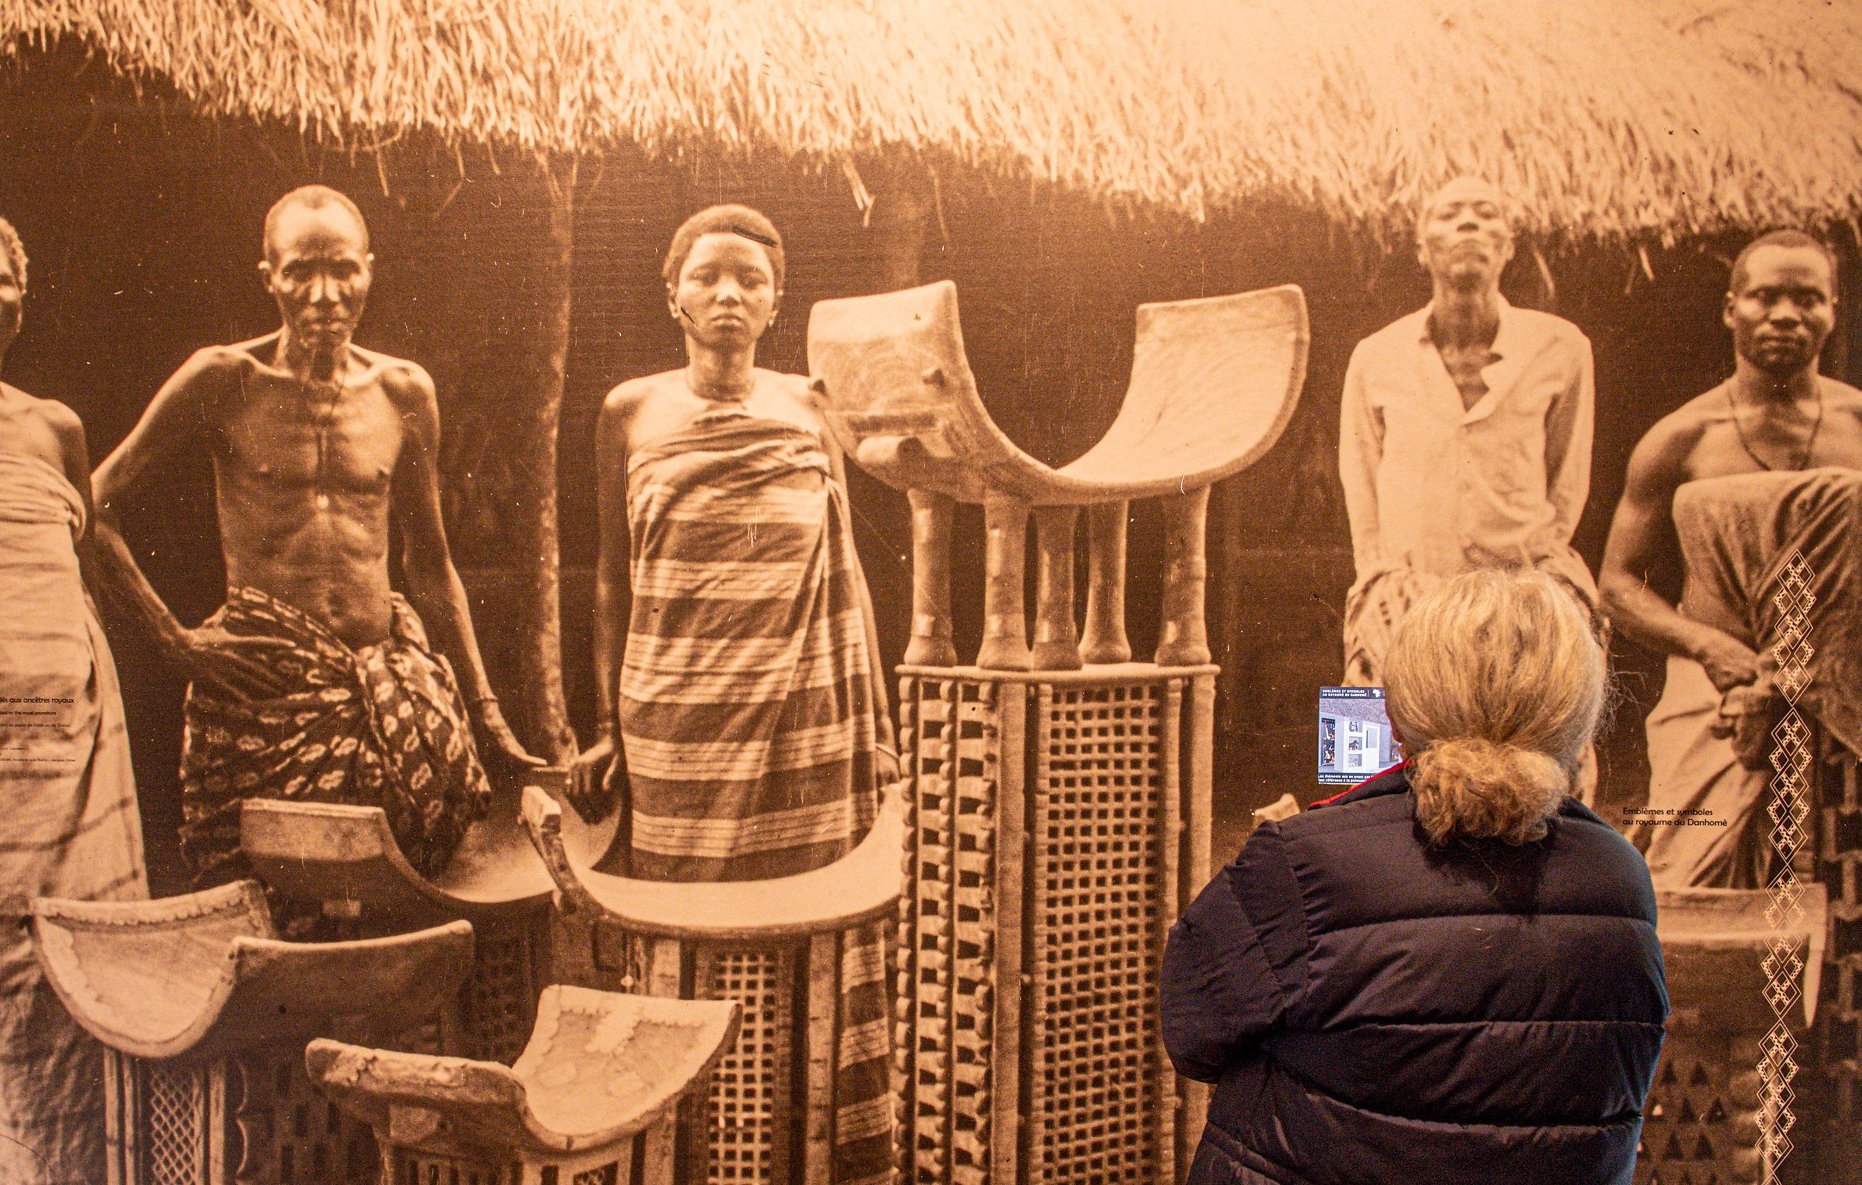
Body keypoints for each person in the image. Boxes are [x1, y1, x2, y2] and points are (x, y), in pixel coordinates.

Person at [567, 205, 897, 1183]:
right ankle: (683, 1152)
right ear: (670, 294)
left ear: (775, 300)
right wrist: (600, 727)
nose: (726, 295)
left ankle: (804, 1150)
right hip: (671, 726)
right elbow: (606, 578)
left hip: (808, 719)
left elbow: (845, 568)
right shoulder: (629, 410)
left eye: (747, 280)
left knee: (808, 927)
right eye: (707, 276)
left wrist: (873, 721)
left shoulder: (812, 406)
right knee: (682, 931)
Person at [89, 185, 535, 889]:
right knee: (266, 904)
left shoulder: (404, 392)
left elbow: (431, 562)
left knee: (395, 896)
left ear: (368, 271)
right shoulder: (223, 379)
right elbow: (91, 505)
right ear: (269, 278)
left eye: (343, 270)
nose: (324, 293)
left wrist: (485, 708)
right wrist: (176, 643)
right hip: (262, 699)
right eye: (301, 271)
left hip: (382, 693)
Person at [1162, 569, 1667, 1185]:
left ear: (1398, 710)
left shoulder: (1302, 860)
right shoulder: (1621, 875)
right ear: (1577, 716)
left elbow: (1192, 1036)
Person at [1600, 229, 1862, 887]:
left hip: (1846, 686)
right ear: (1731, 308)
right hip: (1717, 690)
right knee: (1691, 880)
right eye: (1765, 296)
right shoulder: (1683, 437)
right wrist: (1708, 646)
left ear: (1833, 308)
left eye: (1806, 298)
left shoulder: (1858, 427)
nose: (1784, 314)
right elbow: (1617, 583)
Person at [0, 216, 147, 1184]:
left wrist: (175, 642)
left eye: (1, 278)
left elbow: (88, 555)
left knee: (59, 966)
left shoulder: (51, 427)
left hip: (63, 762)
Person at [1339, 176, 1597, 685]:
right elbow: (1362, 480)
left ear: (1507, 246)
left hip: (1521, 596)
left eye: (1486, 213)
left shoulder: (1561, 347)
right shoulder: (1376, 355)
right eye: (1450, 213)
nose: (1469, 223)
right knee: (1357, 755)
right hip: (1402, 595)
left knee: (1541, 744)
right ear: (1421, 247)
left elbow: (1567, 481)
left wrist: (1533, 579)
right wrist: (1383, 579)